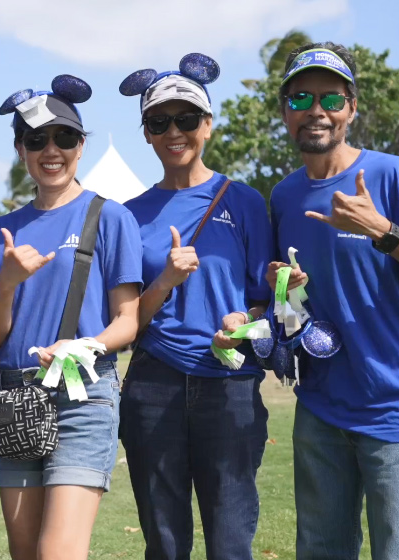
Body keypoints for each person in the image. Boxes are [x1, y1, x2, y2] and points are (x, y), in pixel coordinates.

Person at [269, 41, 399, 560]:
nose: (317, 112)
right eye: (302, 98)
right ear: (285, 110)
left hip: (394, 404)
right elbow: (291, 311)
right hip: (320, 407)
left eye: (332, 100)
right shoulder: (283, 197)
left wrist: (382, 229)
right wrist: (284, 292)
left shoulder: (389, 173)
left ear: (351, 108)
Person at [0, 75, 142, 560]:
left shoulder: (110, 218)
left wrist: (86, 345)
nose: (52, 150)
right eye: (37, 139)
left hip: (83, 393)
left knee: (59, 553)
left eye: (65, 137)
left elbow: (127, 321)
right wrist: (6, 282)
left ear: (81, 144)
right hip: (14, 392)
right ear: (20, 149)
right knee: (25, 552)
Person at [117, 54, 273, 560]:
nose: (174, 132)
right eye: (159, 122)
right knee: (164, 543)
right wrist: (164, 280)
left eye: (186, 119)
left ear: (207, 124)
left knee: (230, 542)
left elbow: (266, 303)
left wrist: (244, 324)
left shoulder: (244, 202)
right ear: (146, 133)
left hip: (230, 388)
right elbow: (124, 322)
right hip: (153, 386)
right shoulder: (127, 217)